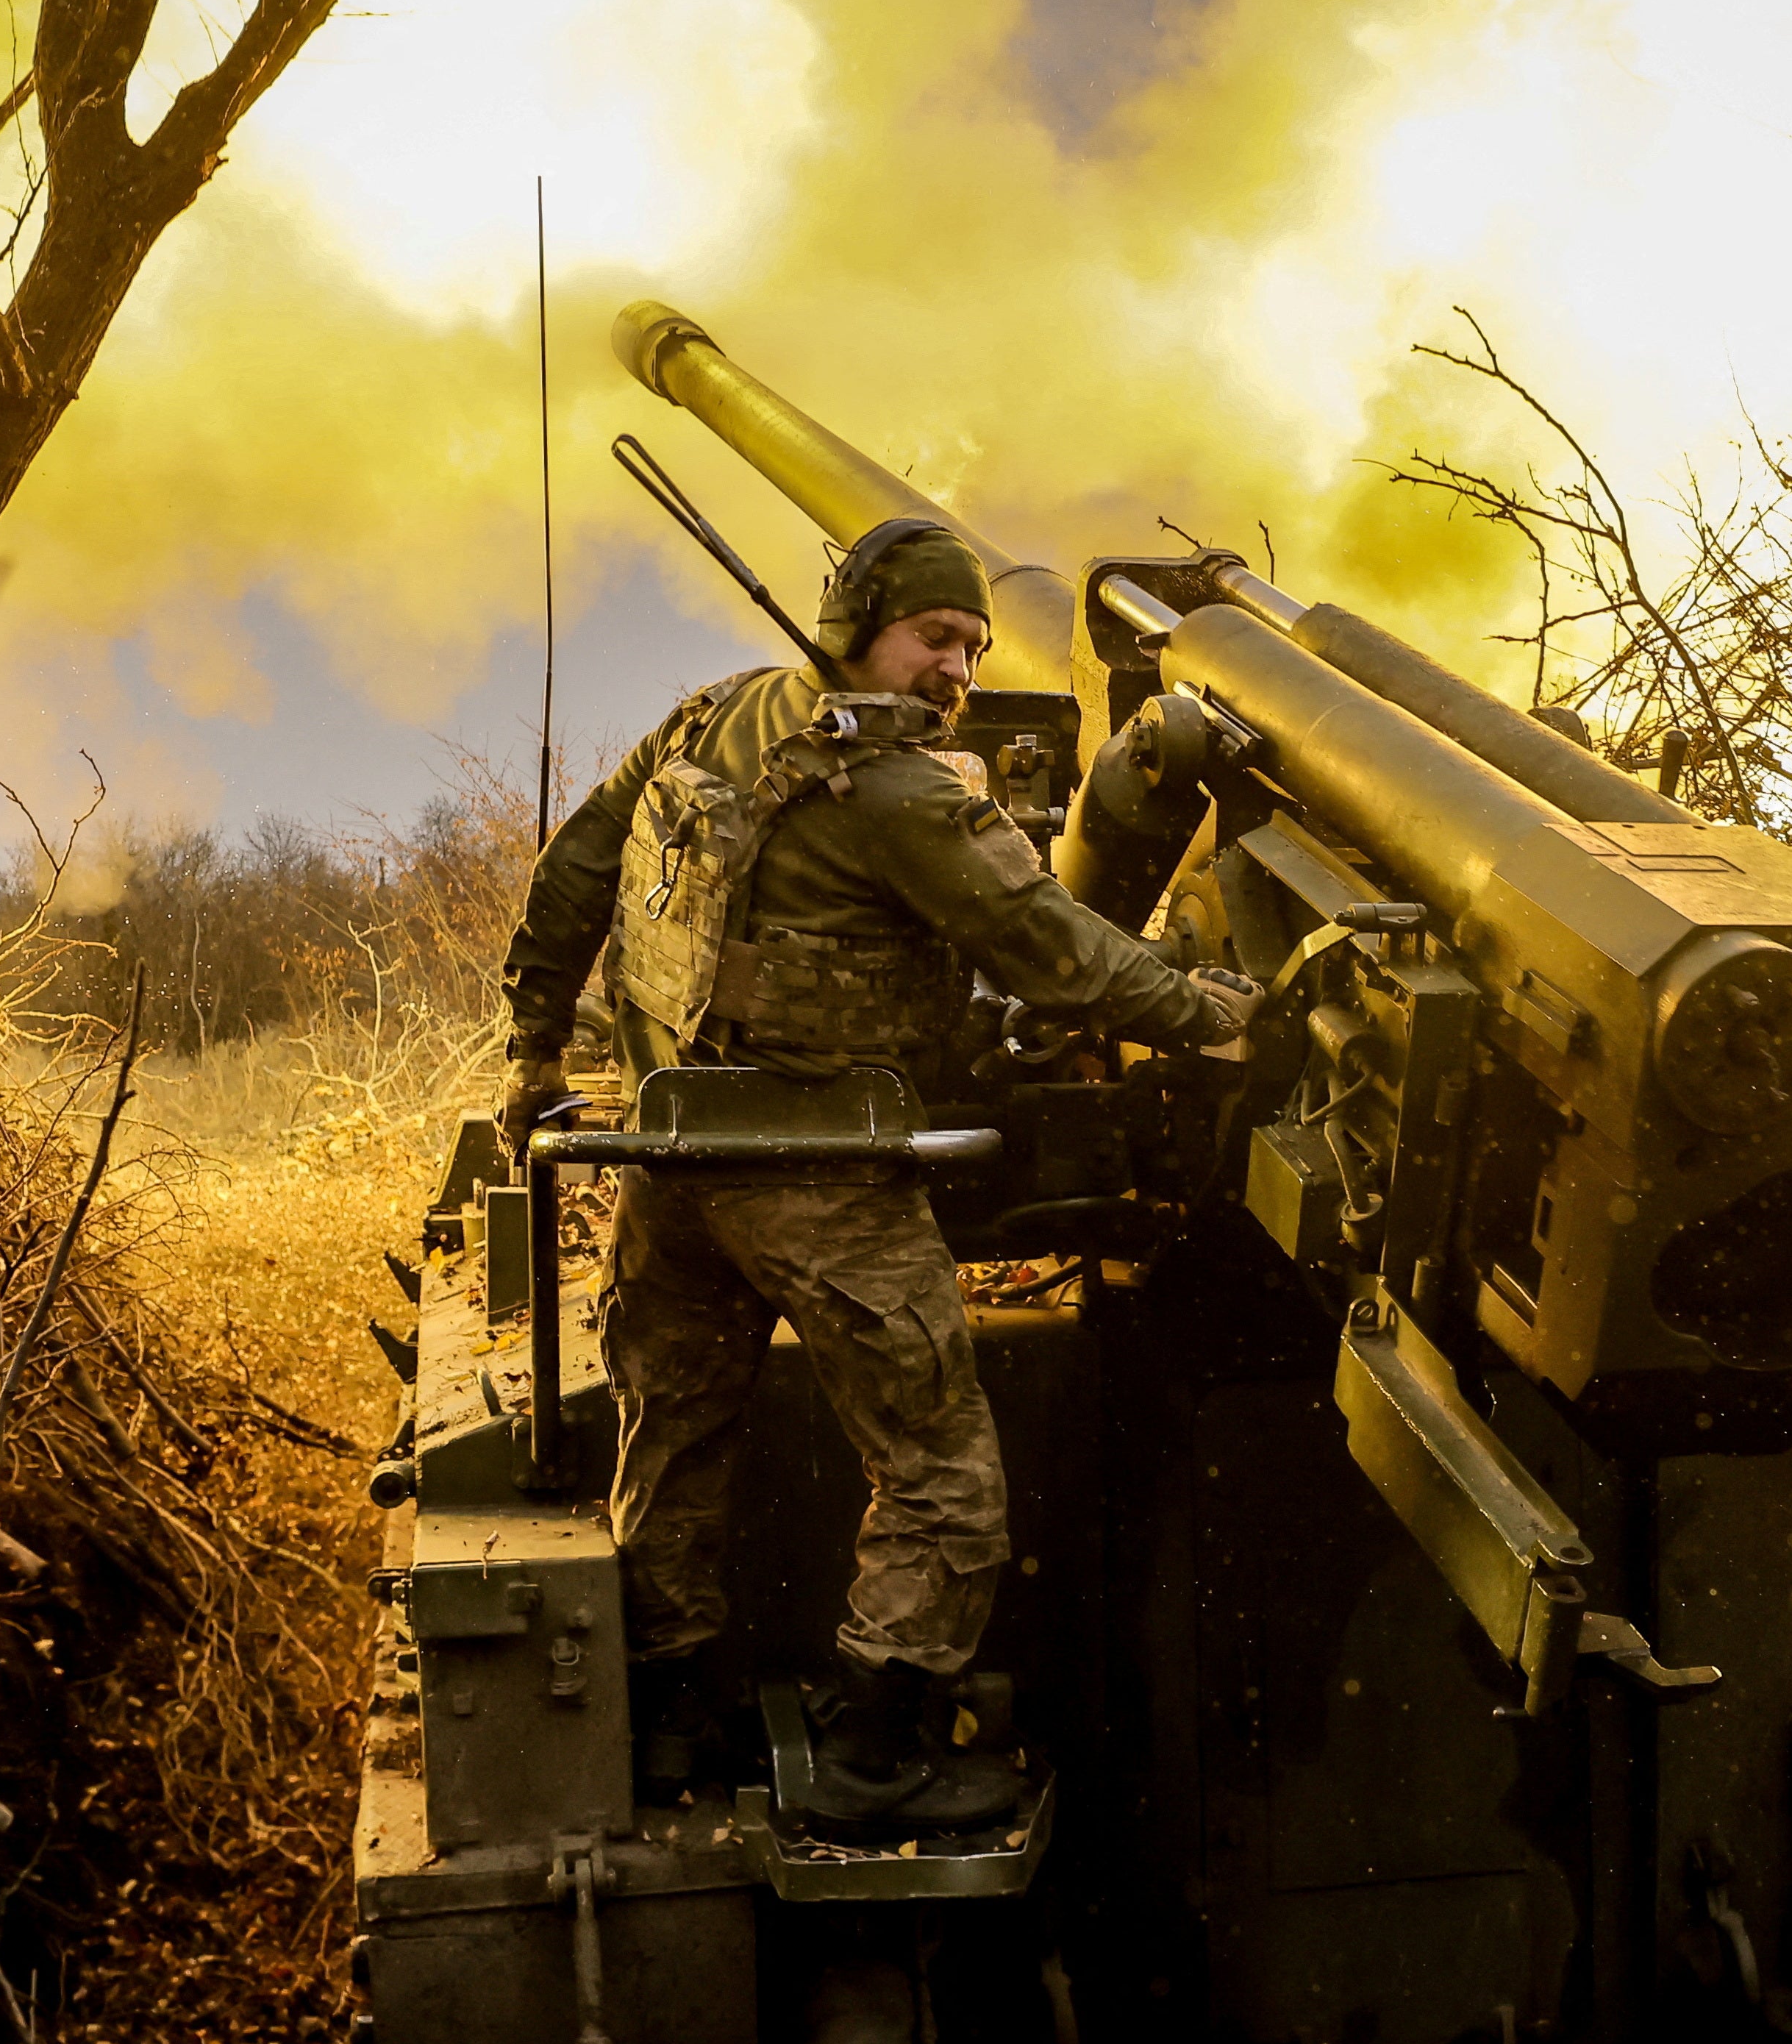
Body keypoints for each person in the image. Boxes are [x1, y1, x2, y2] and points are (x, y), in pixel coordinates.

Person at [498, 517, 1254, 1831]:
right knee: (943, 1473)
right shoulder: (903, 797)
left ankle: (674, 1712)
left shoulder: (708, 719)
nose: (954, 672)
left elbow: (577, 867)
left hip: (670, 1154)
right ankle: (875, 1737)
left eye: (971, 647)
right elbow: (1051, 948)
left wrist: (533, 1047)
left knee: (674, 1438)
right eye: (933, 639)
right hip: (821, 1174)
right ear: (855, 625)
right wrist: (1210, 1013)